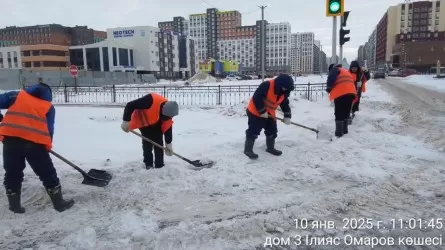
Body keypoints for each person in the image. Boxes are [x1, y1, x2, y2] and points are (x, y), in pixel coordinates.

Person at [0, 82, 74, 213]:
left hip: (11, 141)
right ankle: (59, 204)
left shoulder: (16, 96)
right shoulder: (48, 107)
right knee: (47, 173)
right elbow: (49, 129)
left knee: (12, 173)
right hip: (34, 144)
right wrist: (47, 145)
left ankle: (14, 206)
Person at [120, 93, 179, 169]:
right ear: (162, 111)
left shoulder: (168, 111)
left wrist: (168, 143)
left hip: (156, 121)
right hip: (144, 122)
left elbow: (168, 127)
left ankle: (159, 164)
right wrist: (126, 121)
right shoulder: (149, 100)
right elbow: (130, 105)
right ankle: (148, 164)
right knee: (147, 144)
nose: (167, 118)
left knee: (159, 142)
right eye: (165, 117)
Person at [244, 74, 294, 159]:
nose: (285, 90)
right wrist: (262, 111)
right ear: (280, 84)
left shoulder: (284, 92)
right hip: (255, 111)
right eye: (284, 88)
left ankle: (270, 148)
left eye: (287, 89)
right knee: (254, 130)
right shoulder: (267, 85)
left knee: (272, 130)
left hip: (270, 113)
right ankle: (248, 150)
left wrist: (287, 116)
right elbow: (257, 97)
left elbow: (284, 104)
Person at [326, 64, 358, 137]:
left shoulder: (335, 69)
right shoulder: (345, 71)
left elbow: (331, 78)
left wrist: (329, 88)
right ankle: (345, 131)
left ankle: (339, 133)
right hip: (351, 93)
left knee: (339, 112)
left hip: (341, 93)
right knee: (346, 112)